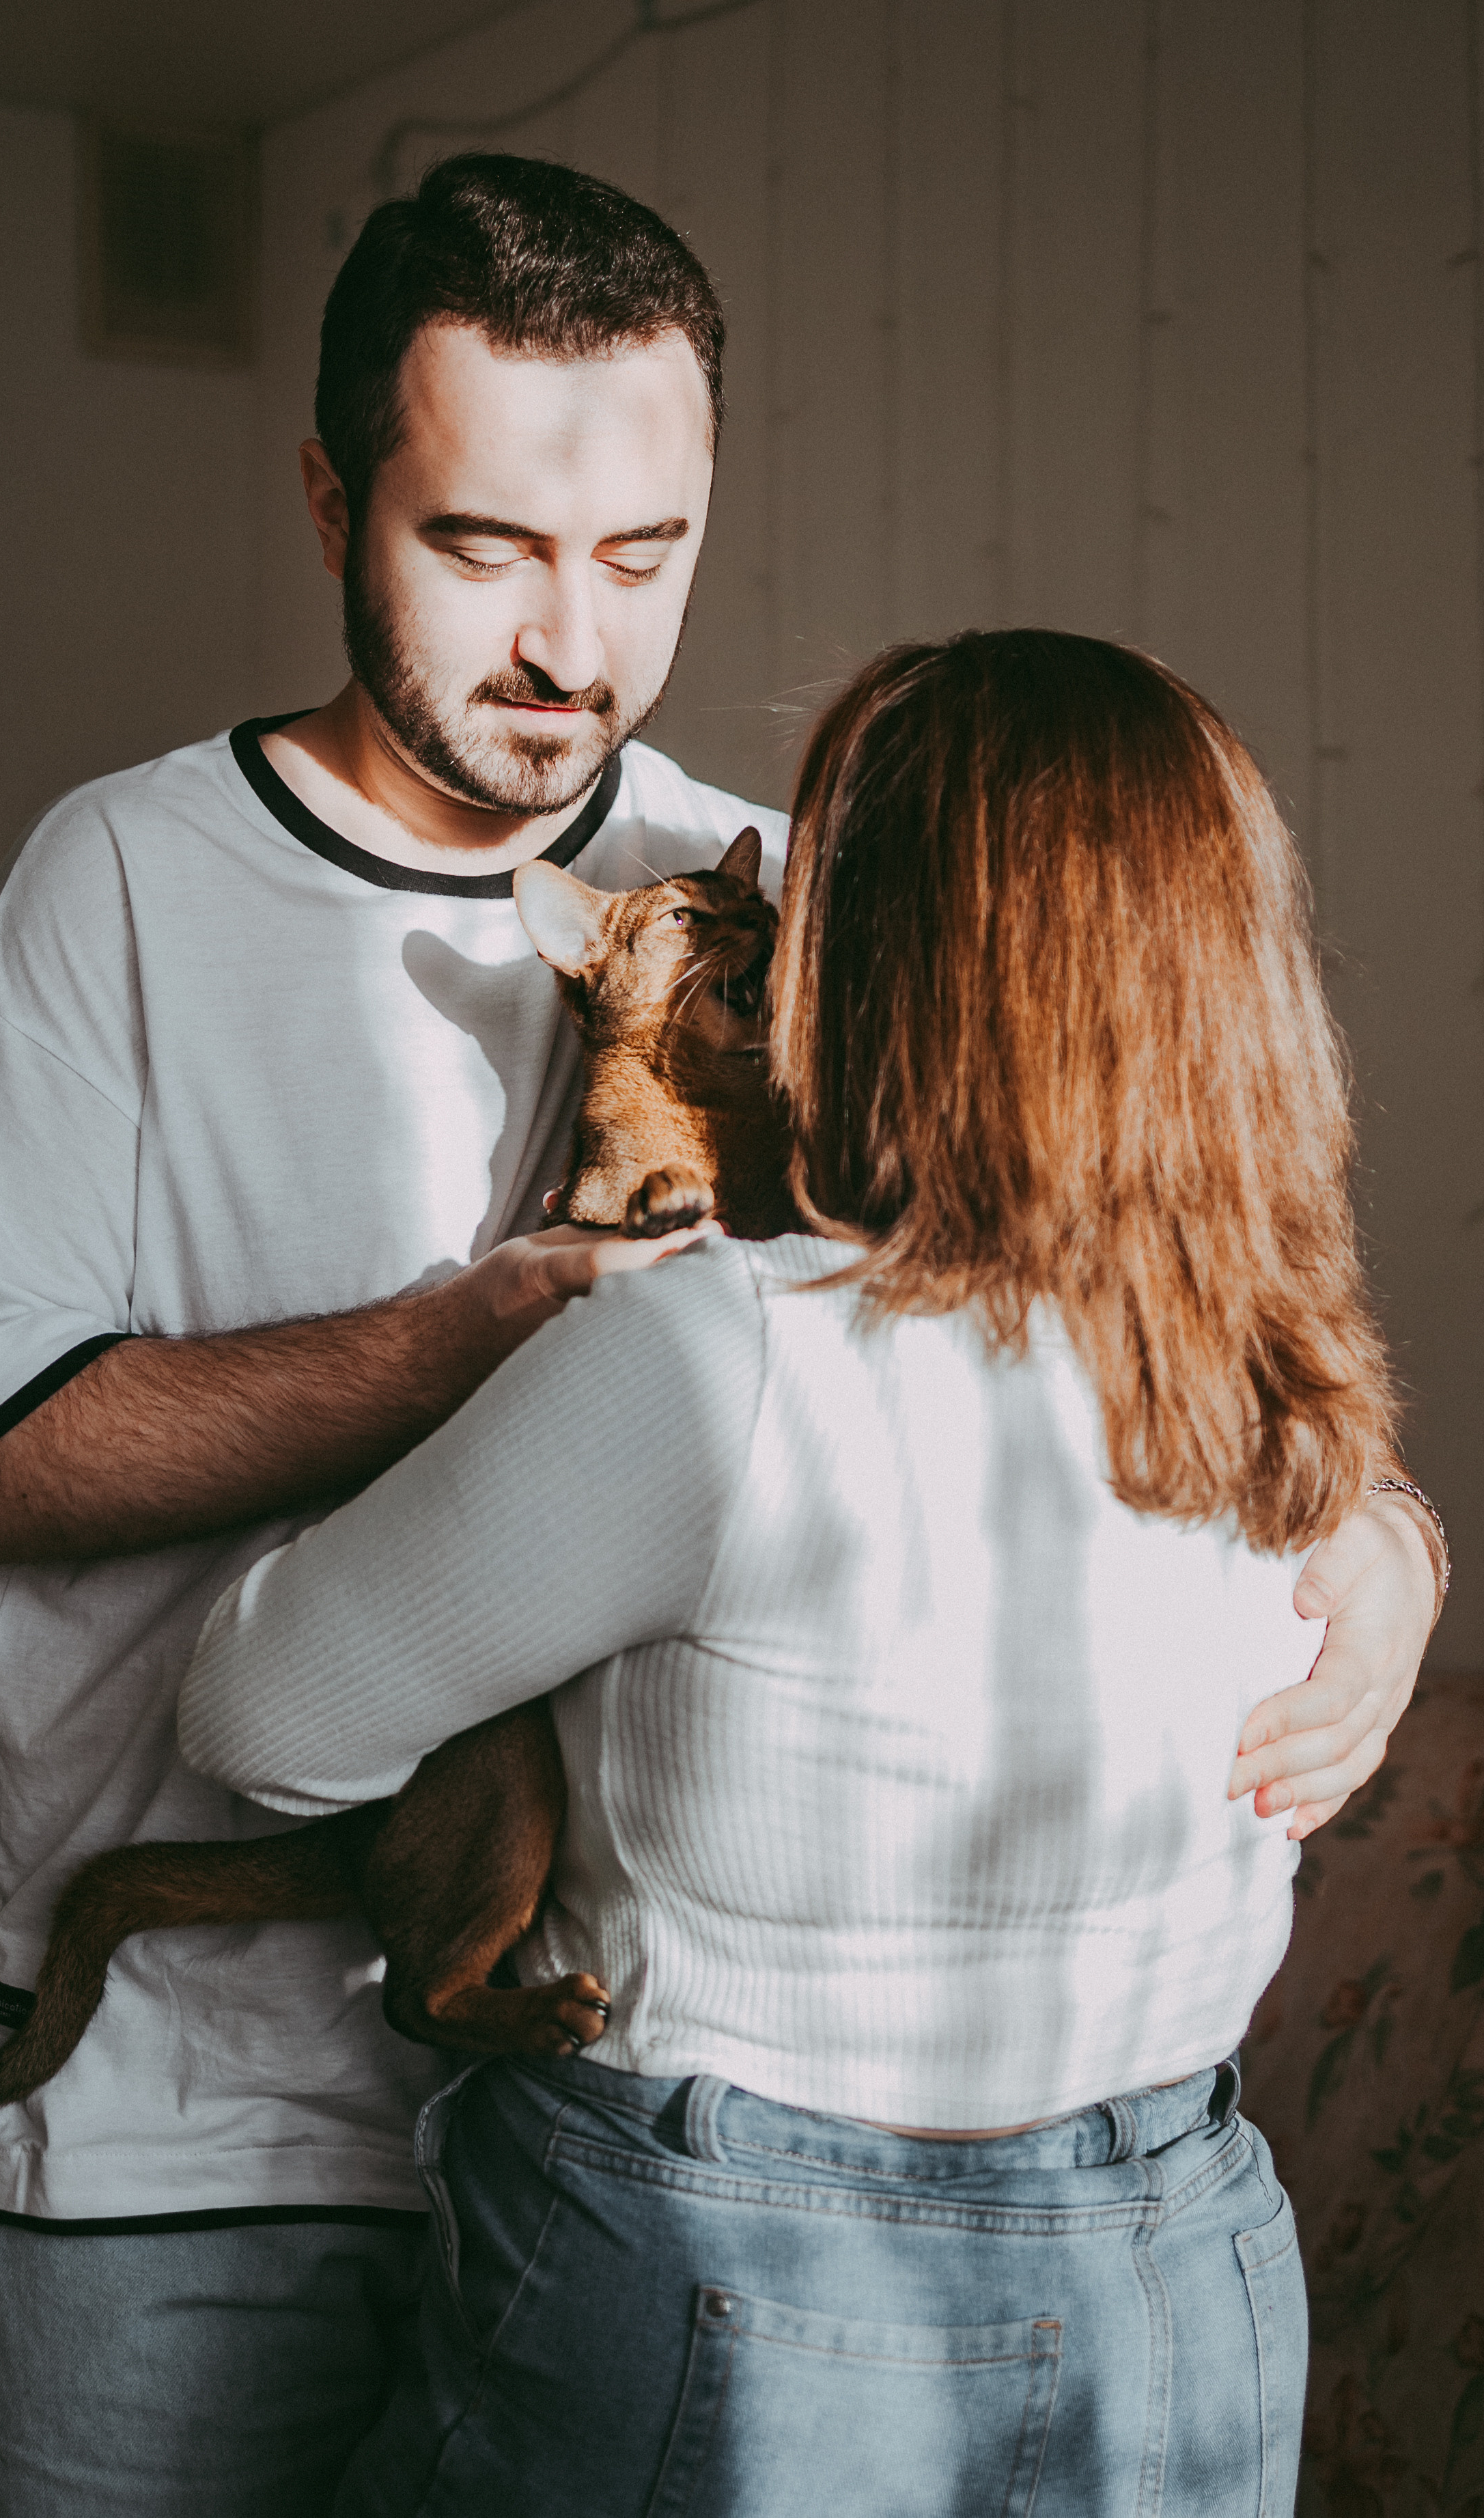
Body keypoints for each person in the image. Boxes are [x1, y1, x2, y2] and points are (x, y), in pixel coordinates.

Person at [0, 159, 1438, 2518]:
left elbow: (1114, 1305)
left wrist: (1384, 1547)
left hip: (639, 2153)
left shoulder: (800, 886)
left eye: (642, 554)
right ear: (327, 499)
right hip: (187, 2135)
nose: (567, 646)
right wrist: (489, 1340)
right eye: (488, 545)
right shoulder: (120, 892)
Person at [181, 629, 1429, 2517]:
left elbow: (257, 1720)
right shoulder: (1267, 1380)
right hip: (1184, 2272)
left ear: (874, 969)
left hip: (741, 2282)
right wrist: (1406, 1553)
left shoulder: (725, 1360)